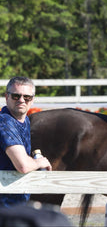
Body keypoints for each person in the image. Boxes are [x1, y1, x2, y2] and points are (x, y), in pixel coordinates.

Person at [0, 77, 52, 208]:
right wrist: (40, 162)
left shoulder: (24, 121)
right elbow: (22, 166)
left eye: (27, 97)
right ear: (7, 97)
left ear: (32, 99)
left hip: (15, 200)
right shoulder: (5, 122)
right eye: (16, 96)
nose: (22, 100)